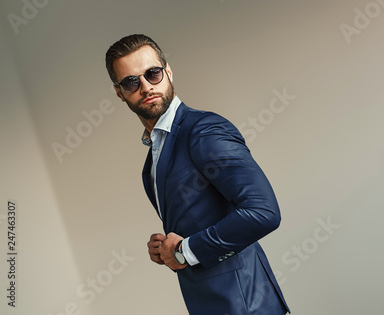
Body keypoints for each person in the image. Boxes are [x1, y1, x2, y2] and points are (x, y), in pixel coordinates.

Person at [105, 34, 290, 315]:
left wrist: (184, 251)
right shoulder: (153, 156)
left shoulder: (203, 130)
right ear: (119, 93)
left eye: (153, 74)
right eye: (131, 82)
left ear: (168, 71)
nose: (145, 87)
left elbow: (264, 212)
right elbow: (194, 225)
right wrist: (166, 248)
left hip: (246, 305)